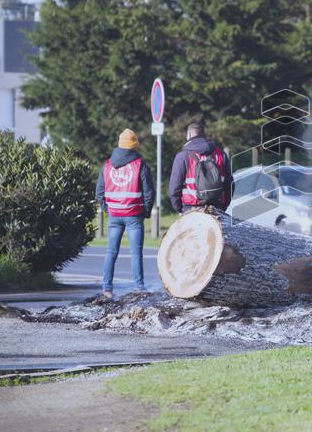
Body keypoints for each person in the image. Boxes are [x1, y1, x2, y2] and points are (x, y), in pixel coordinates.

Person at [95, 129, 155, 299]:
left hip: (114, 215)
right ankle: (139, 286)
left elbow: (99, 191)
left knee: (111, 251)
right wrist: (146, 212)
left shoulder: (107, 165)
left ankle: (106, 289)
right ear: (135, 145)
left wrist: (107, 209)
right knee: (136, 252)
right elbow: (149, 192)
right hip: (134, 215)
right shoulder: (140, 165)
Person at [169, 121, 231, 214]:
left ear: (189, 135)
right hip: (216, 209)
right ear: (203, 134)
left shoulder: (182, 156)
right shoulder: (221, 155)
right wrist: (223, 206)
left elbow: (174, 188)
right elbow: (229, 184)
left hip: (190, 210)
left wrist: (180, 209)